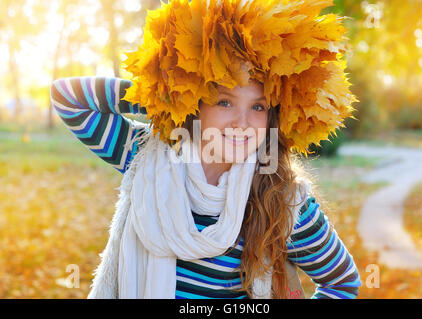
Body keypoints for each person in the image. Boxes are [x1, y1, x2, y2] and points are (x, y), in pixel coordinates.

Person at [50, 0, 361, 299]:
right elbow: (67, 99)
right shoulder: (144, 153)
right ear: (196, 104)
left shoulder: (283, 199)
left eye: (257, 106)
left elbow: (342, 282)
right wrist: (165, 96)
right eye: (224, 102)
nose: (242, 123)